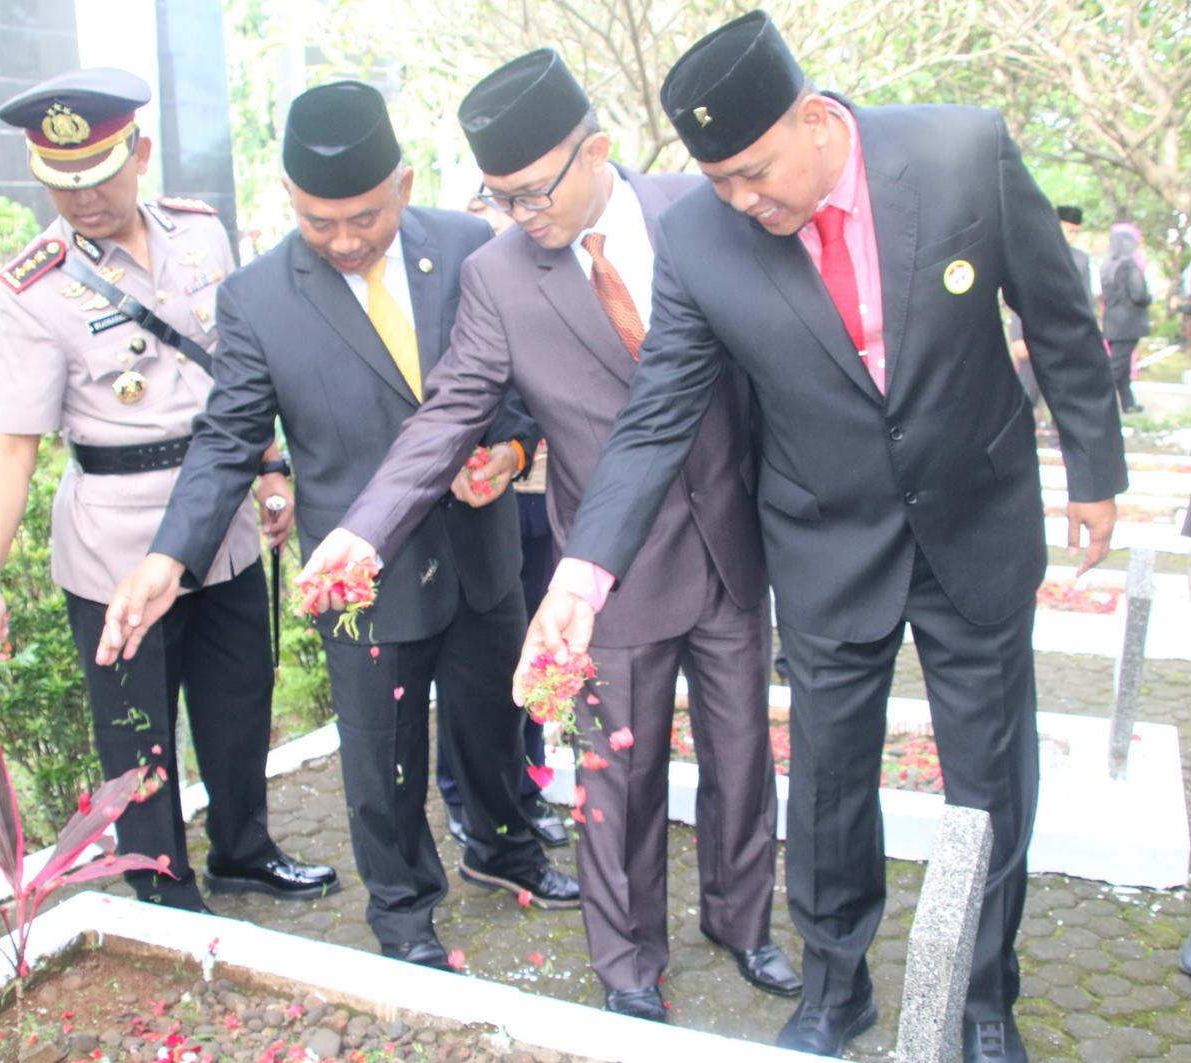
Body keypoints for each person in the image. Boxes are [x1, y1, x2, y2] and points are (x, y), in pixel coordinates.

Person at [521, 12, 1127, 1060]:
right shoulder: (702, 242)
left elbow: (1057, 314)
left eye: (754, 173)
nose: (742, 202)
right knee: (831, 778)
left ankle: (983, 996)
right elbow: (659, 411)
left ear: (813, 119)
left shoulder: (956, 154)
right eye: (717, 182)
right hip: (824, 541)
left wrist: (1092, 468)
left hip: (972, 519)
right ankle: (834, 982)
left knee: (987, 774)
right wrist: (584, 567)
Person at [297, 49, 799, 1020]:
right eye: (498, 196)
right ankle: (626, 964)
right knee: (615, 770)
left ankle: (743, 926)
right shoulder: (497, 278)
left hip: (732, 546)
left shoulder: (696, 212)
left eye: (531, 192)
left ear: (595, 150)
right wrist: (365, 530)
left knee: (741, 759)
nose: (520, 215)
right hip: (601, 576)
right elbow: (446, 414)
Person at [96, 81, 578, 968]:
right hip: (362, 575)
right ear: (289, 200)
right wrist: (171, 557)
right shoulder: (256, 298)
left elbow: (525, 387)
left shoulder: (474, 245)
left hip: (479, 549)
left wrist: (508, 457)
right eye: (321, 222)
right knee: (381, 757)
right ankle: (402, 914)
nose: (347, 240)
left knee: (494, 720)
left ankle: (506, 850)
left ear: (401, 182)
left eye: (364, 216)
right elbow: (227, 440)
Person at [0, 68, 336, 912]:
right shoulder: (31, 289)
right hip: (116, 539)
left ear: (141, 153)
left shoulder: (202, 236)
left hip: (225, 519)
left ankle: (245, 848)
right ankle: (159, 879)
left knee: (240, 699)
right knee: (138, 727)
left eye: (96, 175)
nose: (81, 199)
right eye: (60, 182)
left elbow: (241, 375)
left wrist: (270, 468)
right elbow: (12, 447)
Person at [436, 189, 565, 851]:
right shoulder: (456, 304)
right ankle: (463, 791)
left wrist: (519, 448)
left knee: (533, 650)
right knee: (474, 664)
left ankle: (525, 784)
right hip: (483, 500)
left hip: (543, 497)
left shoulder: (544, 286)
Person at [1008, 204, 1093, 406]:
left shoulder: (1081, 259)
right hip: (1034, 334)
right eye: (1068, 230)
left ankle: (1061, 437)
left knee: (1069, 395)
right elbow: (1019, 296)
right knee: (1027, 394)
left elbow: (1086, 301)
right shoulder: (1032, 253)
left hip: (1068, 337)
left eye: (1076, 232)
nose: (1071, 236)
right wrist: (1018, 337)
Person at [1100, 222, 1152, 413]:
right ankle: (1099, 402)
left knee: (1121, 365)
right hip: (1128, 324)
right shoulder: (1129, 266)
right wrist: (1150, 297)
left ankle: (1128, 404)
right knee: (1117, 367)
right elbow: (1138, 295)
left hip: (1112, 322)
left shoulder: (1107, 266)